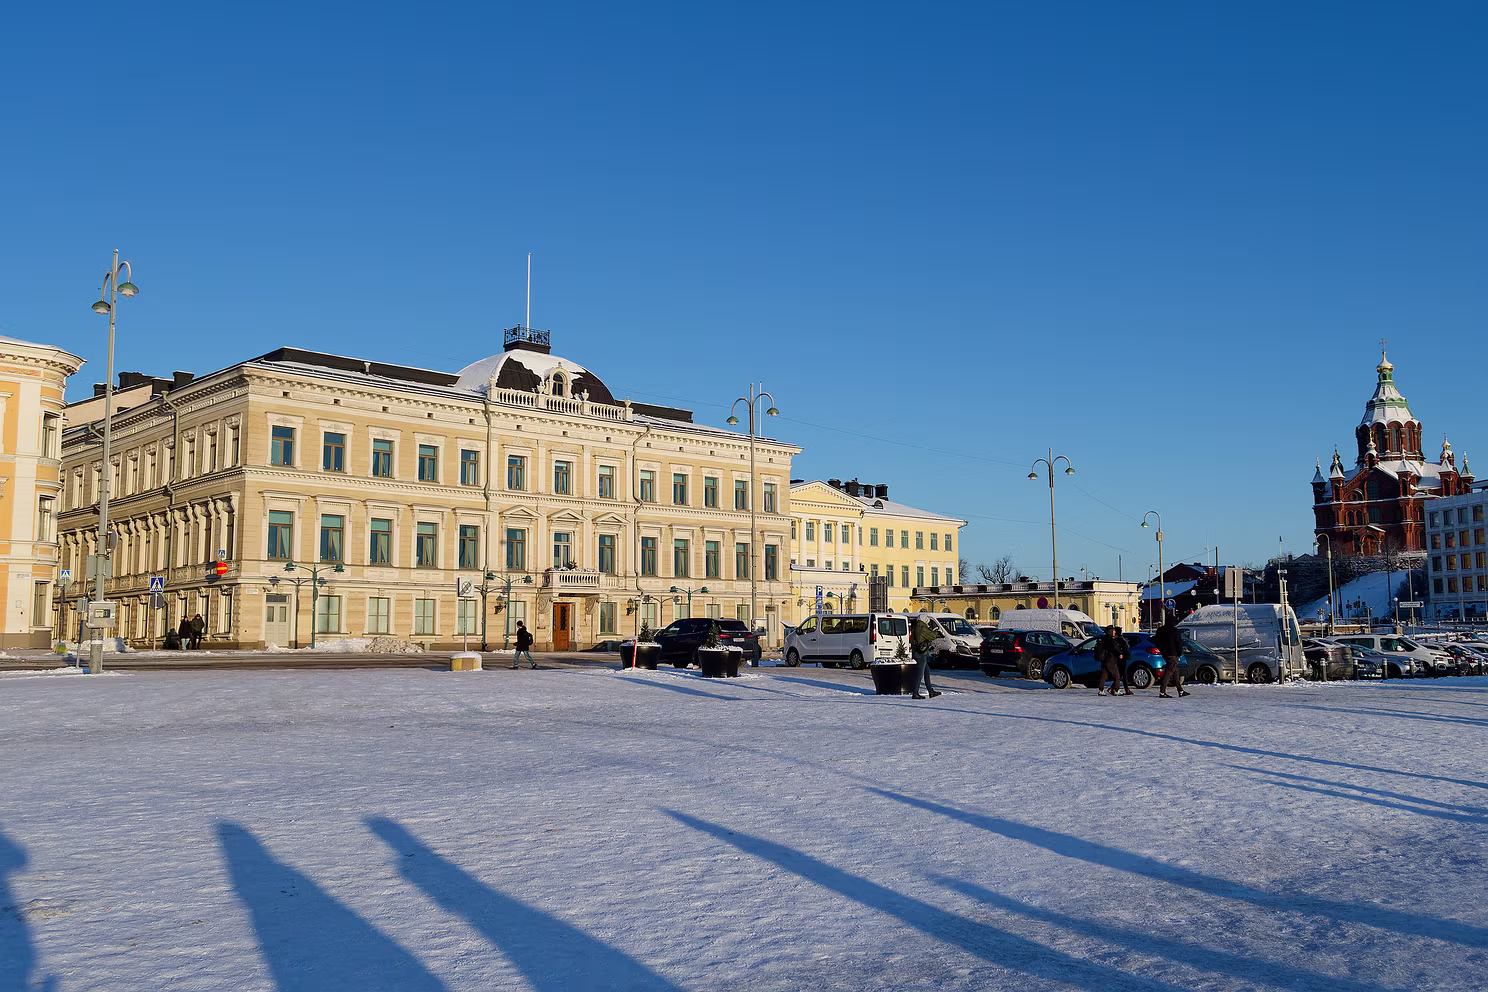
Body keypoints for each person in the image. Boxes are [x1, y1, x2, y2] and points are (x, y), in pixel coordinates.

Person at [1153, 613, 1190, 698]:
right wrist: (1180, 653)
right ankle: (1162, 692)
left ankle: (1180, 690)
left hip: (1165, 654)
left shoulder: (1160, 630)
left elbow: (1156, 641)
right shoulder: (1174, 630)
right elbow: (1178, 643)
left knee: (1175, 671)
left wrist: (1161, 649)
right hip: (1173, 654)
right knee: (1169, 672)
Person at [909, 618, 941, 700]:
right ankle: (915, 693)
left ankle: (931, 691)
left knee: (926, 672)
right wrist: (934, 631)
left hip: (917, 651)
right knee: (919, 674)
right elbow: (932, 636)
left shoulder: (916, 626)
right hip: (921, 653)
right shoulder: (922, 628)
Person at [1096, 625, 1132, 695]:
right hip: (1111, 659)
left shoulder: (1104, 638)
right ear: (1110, 631)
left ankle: (1101, 690)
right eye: (1113, 631)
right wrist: (1120, 653)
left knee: (1104, 674)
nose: (1114, 632)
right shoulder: (1110, 640)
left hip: (1105, 659)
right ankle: (1116, 690)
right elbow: (1115, 648)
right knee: (1117, 675)